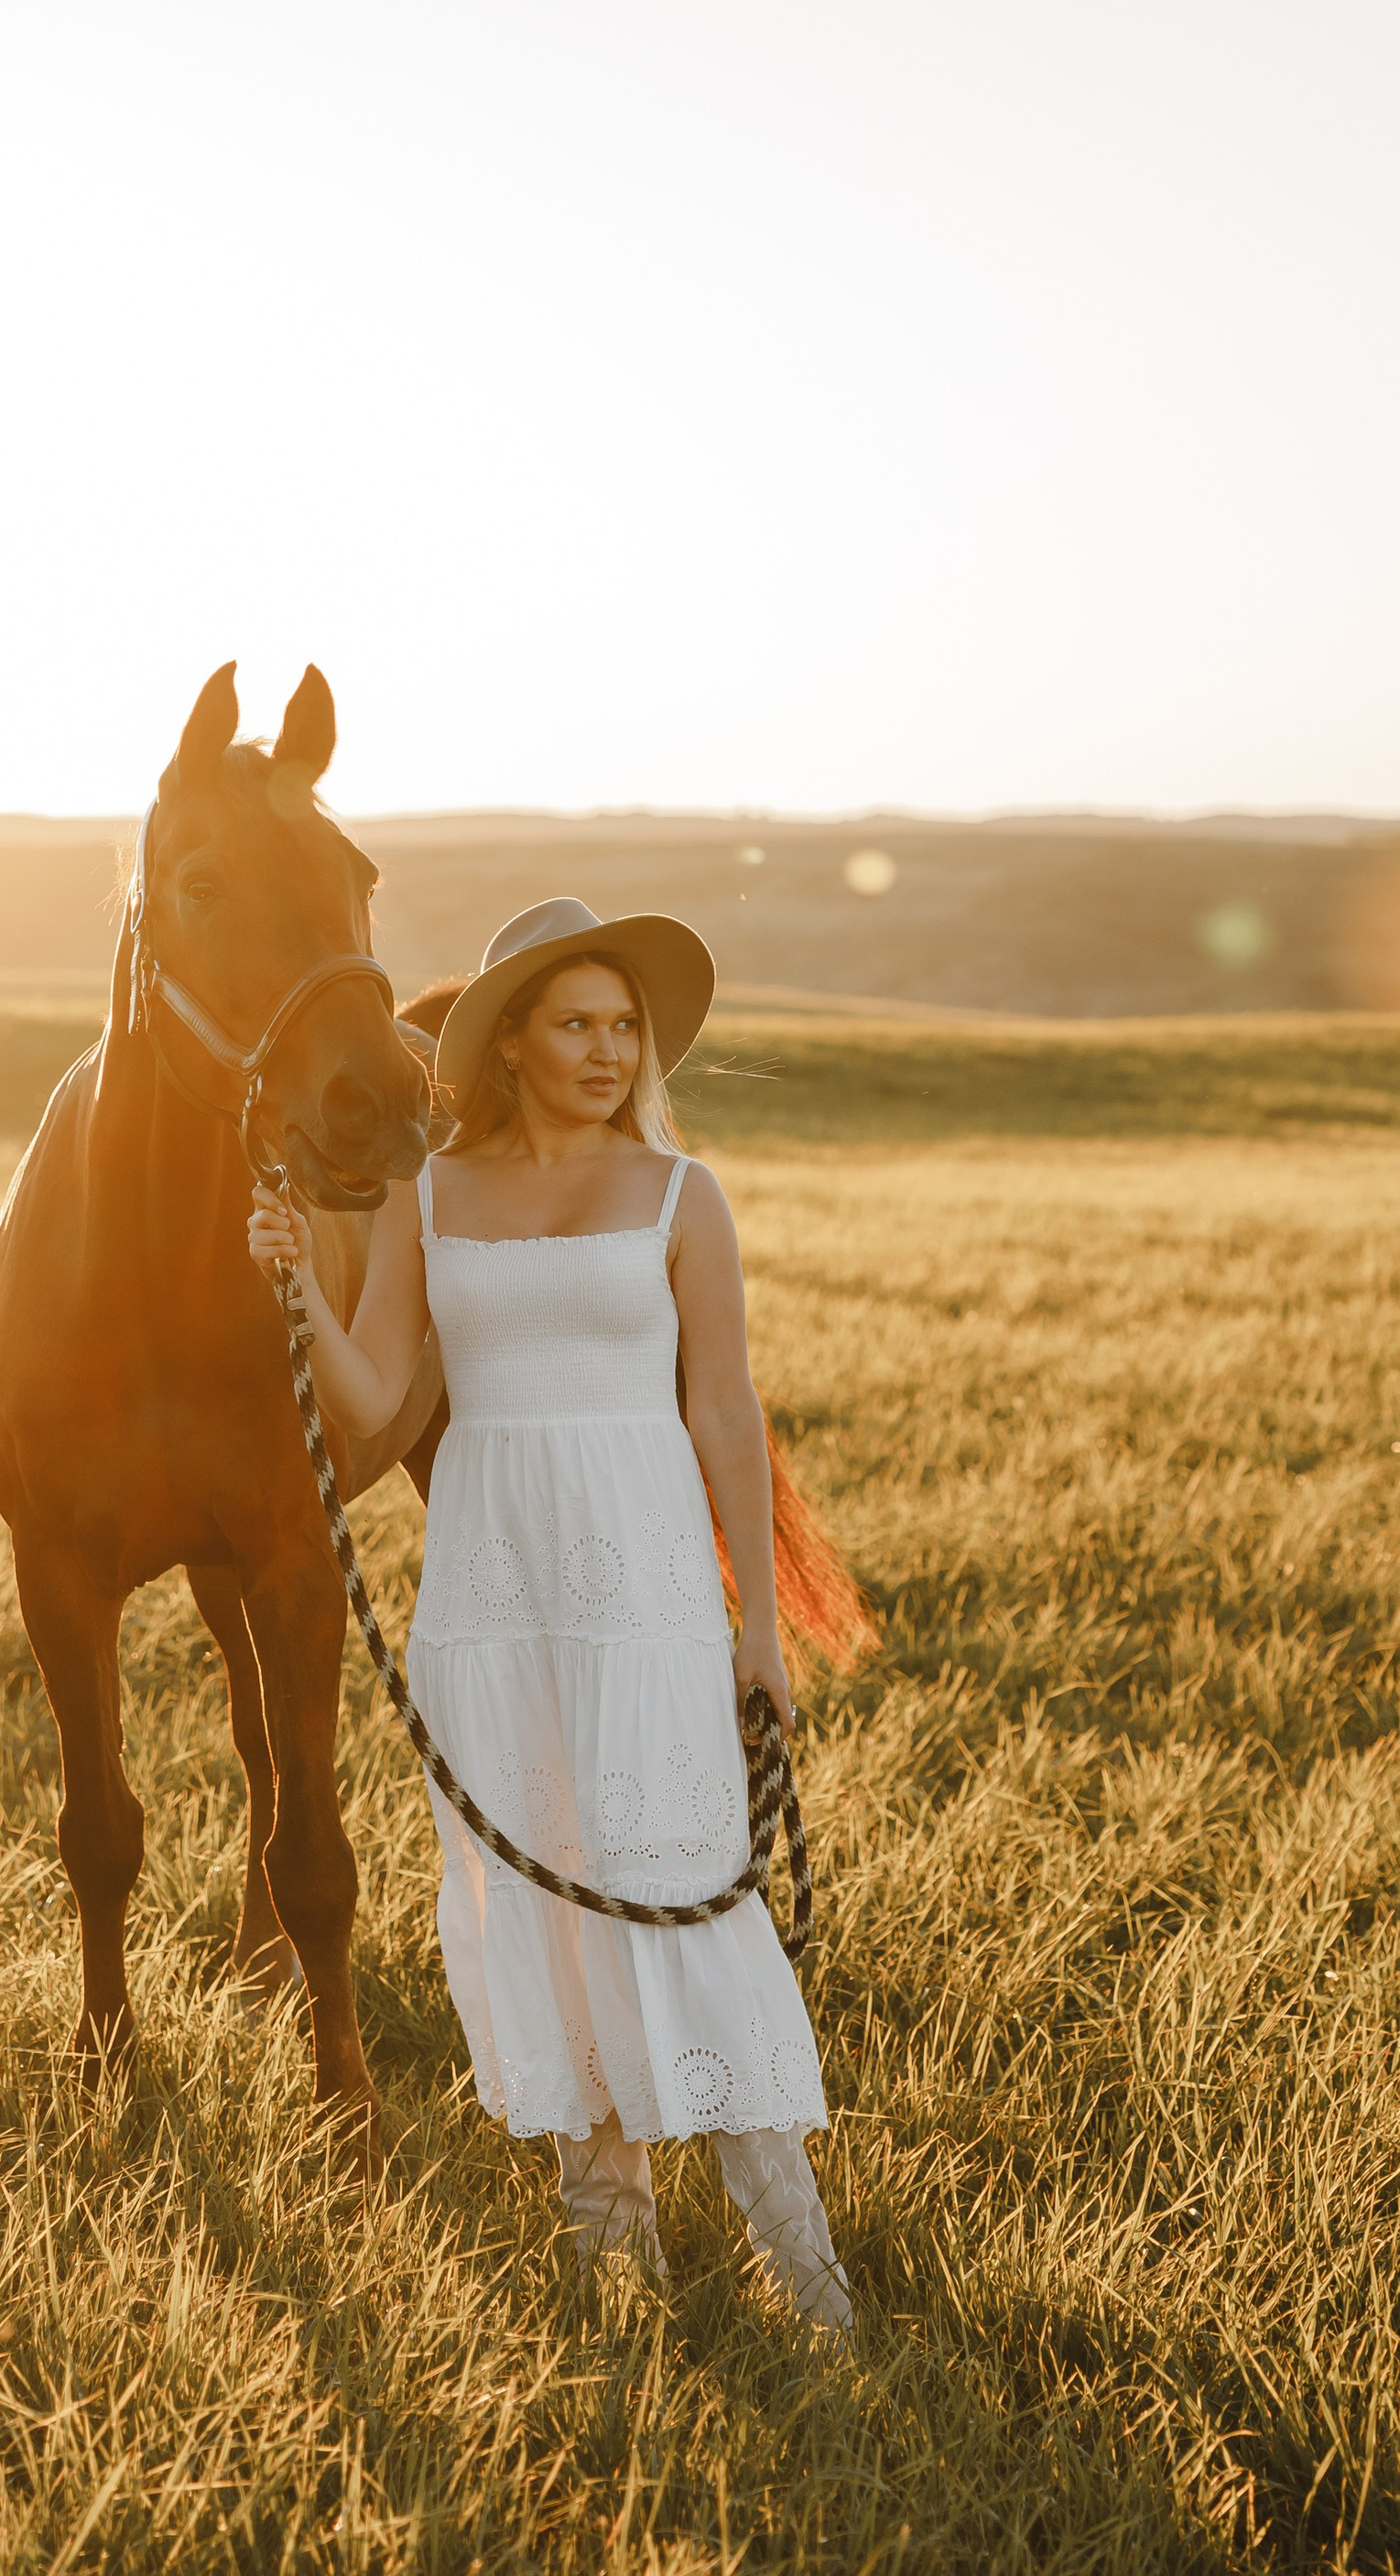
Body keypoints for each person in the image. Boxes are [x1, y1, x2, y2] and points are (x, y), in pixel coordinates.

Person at [247, 894, 854, 2331]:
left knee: (675, 1882)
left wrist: (757, 1624)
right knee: (541, 1890)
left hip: (644, 1588)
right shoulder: (431, 1192)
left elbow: (724, 1407)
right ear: (509, 1038)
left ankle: (808, 2278)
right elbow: (385, 1400)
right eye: (575, 1021)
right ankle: (612, 2251)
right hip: (489, 1587)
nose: (605, 1047)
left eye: (623, 1024)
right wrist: (297, 1289)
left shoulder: (677, 1191)